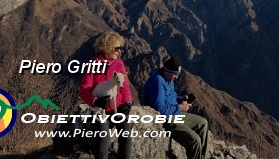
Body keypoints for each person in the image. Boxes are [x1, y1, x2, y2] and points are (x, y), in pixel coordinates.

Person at [79, 31, 133, 159]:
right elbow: (84, 89)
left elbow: (125, 86)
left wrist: (128, 102)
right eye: (116, 48)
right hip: (100, 109)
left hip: (118, 107)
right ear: (106, 47)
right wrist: (95, 101)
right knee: (103, 138)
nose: (119, 51)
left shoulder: (119, 64)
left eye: (120, 48)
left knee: (126, 135)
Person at [143, 56, 210, 159]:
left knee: (203, 123)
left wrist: (180, 100)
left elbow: (169, 98)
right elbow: (160, 109)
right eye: (175, 74)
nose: (176, 77)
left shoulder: (168, 79)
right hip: (165, 119)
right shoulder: (158, 81)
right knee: (194, 140)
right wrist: (179, 108)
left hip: (174, 114)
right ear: (168, 71)